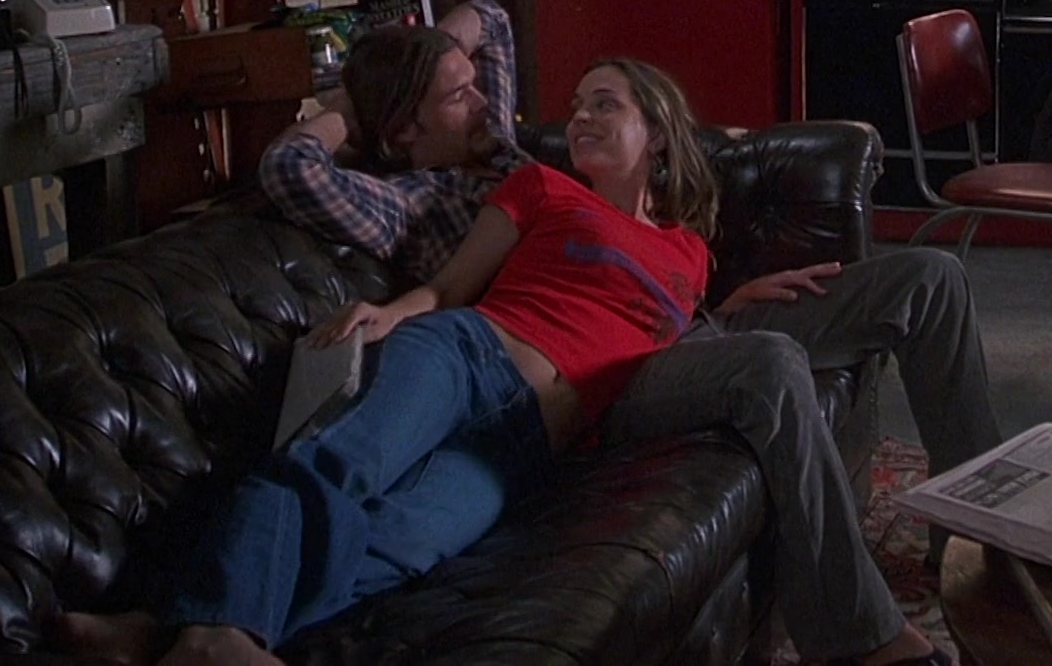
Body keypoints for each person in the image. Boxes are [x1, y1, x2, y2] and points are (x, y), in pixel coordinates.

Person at [58, 59, 948, 666]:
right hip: (469, 354)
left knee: (406, 544)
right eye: (579, 103)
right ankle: (219, 633)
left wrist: (733, 309)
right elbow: (452, 288)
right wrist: (391, 311)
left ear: (658, 134)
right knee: (336, 465)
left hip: (529, 441)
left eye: (607, 104)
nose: (583, 116)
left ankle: (166, 629)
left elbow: (655, 353)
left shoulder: (689, 254)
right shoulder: (542, 187)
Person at [259, 0, 1001, 482]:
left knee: (930, 279)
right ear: (403, 130)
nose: (485, 99)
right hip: (590, 367)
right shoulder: (407, 202)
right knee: (768, 358)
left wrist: (432, 57)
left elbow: (493, 20)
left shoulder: (500, 150)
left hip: (674, 320)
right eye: (457, 94)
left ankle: (977, 519)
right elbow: (290, 169)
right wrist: (353, 105)